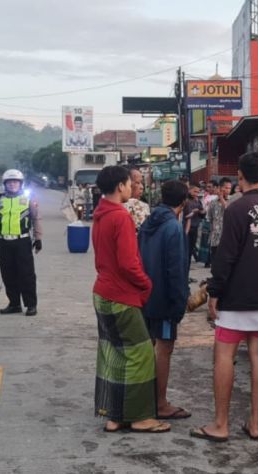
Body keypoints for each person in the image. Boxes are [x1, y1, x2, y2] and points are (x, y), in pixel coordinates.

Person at [191, 152, 258, 443]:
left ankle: (221, 424)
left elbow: (226, 256)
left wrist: (214, 291)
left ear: (239, 177)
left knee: (224, 356)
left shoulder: (236, 210)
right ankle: (256, 424)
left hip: (236, 296)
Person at [91, 165, 170, 434]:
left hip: (103, 292)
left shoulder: (100, 215)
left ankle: (115, 416)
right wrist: (146, 284)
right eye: (129, 182)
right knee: (140, 355)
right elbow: (128, 263)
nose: (132, 187)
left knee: (115, 354)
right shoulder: (120, 217)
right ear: (120, 186)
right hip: (121, 295)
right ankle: (139, 417)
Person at [139, 180, 192, 421]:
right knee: (165, 348)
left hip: (145, 295)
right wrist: (180, 303)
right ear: (183, 201)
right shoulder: (173, 226)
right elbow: (176, 270)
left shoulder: (148, 222)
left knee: (148, 347)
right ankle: (160, 403)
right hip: (164, 298)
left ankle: (145, 398)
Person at [0, 169, 42, 317]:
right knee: (8, 274)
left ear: (20, 184)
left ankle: (31, 305)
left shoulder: (28, 198)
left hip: (22, 241)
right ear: (5, 184)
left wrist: (38, 238)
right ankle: (14, 304)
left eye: (15, 182)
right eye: (9, 182)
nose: (12, 185)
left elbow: (36, 219)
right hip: (4, 243)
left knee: (26, 275)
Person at [205, 178, 233, 267]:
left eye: (229, 188)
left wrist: (221, 198)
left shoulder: (233, 200)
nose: (228, 190)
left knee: (226, 265)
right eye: (226, 188)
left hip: (228, 239)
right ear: (220, 188)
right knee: (215, 265)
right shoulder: (213, 202)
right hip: (215, 239)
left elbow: (229, 210)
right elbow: (209, 218)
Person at [183, 185, 204, 262]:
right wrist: (193, 212)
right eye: (195, 191)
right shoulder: (185, 201)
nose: (196, 194)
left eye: (198, 192)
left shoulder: (198, 201)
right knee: (186, 249)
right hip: (186, 227)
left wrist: (201, 211)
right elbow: (184, 216)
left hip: (195, 226)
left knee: (191, 247)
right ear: (189, 190)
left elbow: (202, 212)